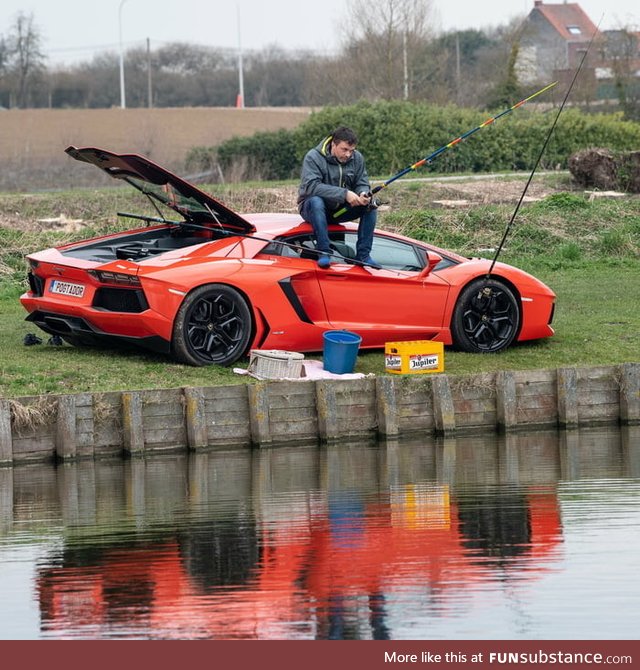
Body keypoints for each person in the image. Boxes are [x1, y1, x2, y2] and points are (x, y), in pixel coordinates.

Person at [297, 126, 381, 269]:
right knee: (316, 201)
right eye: (344, 150)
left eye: (351, 150)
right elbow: (311, 186)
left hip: (340, 211)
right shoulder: (313, 157)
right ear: (333, 145)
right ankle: (323, 251)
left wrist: (362, 193)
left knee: (370, 206)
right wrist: (344, 194)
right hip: (312, 209)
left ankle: (363, 255)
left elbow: (361, 182)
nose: (349, 154)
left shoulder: (357, 158)